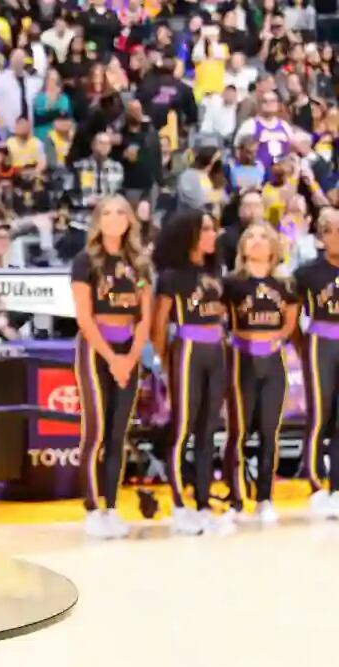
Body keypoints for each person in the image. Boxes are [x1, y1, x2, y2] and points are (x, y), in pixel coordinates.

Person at [70, 197, 153, 539]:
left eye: (121, 212)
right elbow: (83, 316)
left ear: (130, 220)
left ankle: (113, 506)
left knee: (119, 433)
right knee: (96, 431)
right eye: (106, 212)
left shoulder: (140, 263)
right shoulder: (85, 260)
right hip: (95, 348)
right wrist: (111, 358)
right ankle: (92, 509)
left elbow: (145, 316)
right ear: (97, 220)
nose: (114, 217)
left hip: (128, 348)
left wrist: (130, 357)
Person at [151, 209, 228, 536]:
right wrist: (165, 363)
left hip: (217, 351)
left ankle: (203, 505)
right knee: (183, 428)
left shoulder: (215, 272)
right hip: (188, 351)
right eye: (206, 229)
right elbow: (158, 327)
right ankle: (180, 506)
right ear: (189, 235)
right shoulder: (171, 277)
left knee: (209, 431)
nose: (213, 235)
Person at [222, 223, 298, 525]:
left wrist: (278, 337)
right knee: (238, 432)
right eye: (250, 236)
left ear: (274, 247)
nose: (256, 241)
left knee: (269, 432)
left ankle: (265, 498)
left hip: (273, 363)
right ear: (241, 246)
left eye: (263, 236)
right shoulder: (231, 283)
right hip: (241, 359)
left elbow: (290, 321)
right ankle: (236, 498)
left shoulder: (285, 284)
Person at [293, 211, 339, 518]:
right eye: (334, 230)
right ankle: (315, 485)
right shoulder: (307, 273)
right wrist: (303, 345)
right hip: (320, 342)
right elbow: (291, 316)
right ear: (323, 236)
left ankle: (337, 487)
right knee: (319, 416)